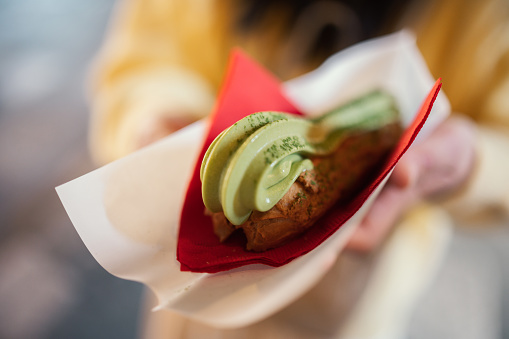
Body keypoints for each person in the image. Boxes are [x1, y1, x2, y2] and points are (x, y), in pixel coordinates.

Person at [88, 0, 509, 337]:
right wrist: (157, 122)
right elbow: (149, 54)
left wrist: (471, 159)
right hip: (191, 303)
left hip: (350, 309)